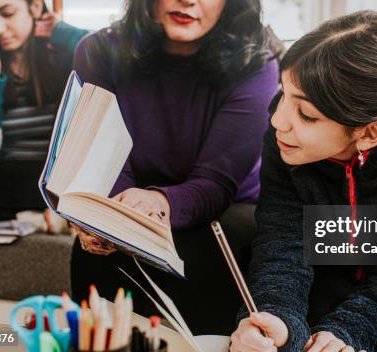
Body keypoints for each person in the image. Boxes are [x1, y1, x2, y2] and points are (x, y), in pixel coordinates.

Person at [230, 11, 377, 352]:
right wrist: (278, 317)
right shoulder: (285, 134)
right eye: (283, 94)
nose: (278, 120)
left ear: (369, 133)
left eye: (307, 115)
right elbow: (282, 240)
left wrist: (348, 333)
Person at [70, 0, 282, 335]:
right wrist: (110, 215)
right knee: (97, 245)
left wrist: (155, 204)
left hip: (221, 213)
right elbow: (104, 159)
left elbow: (215, 182)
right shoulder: (97, 51)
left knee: (206, 244)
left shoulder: (256, 63)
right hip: (131, 199)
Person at [0, 0, 88, 228]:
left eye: (7, 13)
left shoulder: (67, 58)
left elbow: (118, 56)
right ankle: (29, 218)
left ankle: (28, 214)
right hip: (0, 181)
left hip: (53, 182)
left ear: (35, 7)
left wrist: (63, 32)